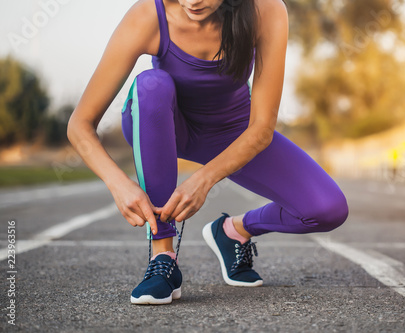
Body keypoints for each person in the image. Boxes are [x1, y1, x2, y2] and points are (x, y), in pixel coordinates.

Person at [67, 0, 349, 305]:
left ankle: (232, 231)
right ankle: (163, 260)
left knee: (327, 209)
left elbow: (262, 128)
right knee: (151, 85)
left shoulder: (266, 10)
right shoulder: (148, 15)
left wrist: (204, 180)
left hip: (236, 133)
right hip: (164, 124)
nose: (192, 1)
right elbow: (79, 125)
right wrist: (118, 183)